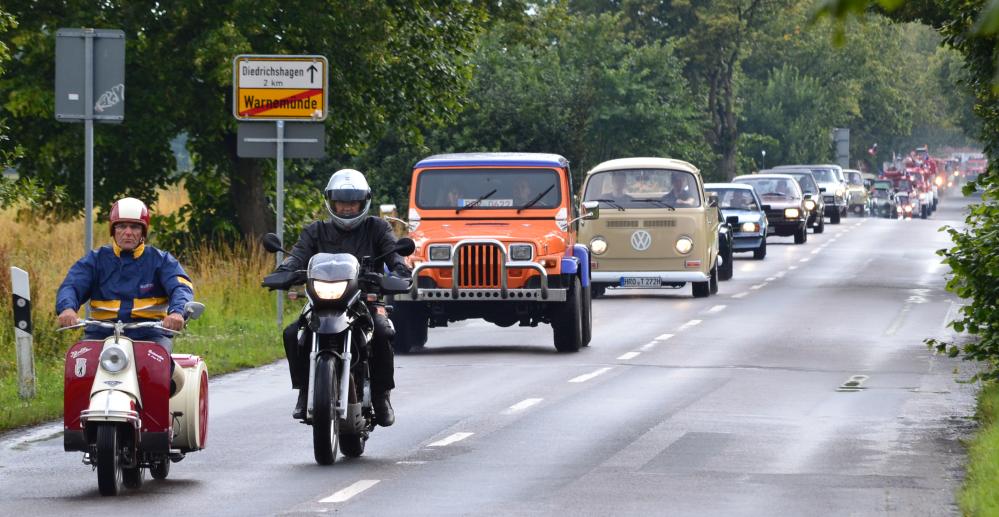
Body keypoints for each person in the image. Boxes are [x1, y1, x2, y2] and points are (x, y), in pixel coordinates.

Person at [276, 168, 411, 426]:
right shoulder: (316, 231)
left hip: (364, 300)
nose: (347, 208)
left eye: (353, 202)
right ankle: (306, 390)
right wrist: (284, 271)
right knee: (292, 333)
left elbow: (395, 256)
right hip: (322, 301)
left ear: (363, 202)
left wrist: (400, 271)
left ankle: (382, 395)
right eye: (342, 202)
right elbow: (297, 256)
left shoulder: (377, 228)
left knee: (382, 332)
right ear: (331, 202)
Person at [56, 197, 194, 353]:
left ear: (143, 231)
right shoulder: (95, 260)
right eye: (121, 226)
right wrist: (67, 308)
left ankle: (169, 377)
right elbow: (71, 285)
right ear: (113, 230)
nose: (128, 232)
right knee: (79, 367)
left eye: (135, 227)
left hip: (149, 334)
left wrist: (177, 312)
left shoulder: (161, 261)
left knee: (158, 369)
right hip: (100, 334)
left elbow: (181, 286)